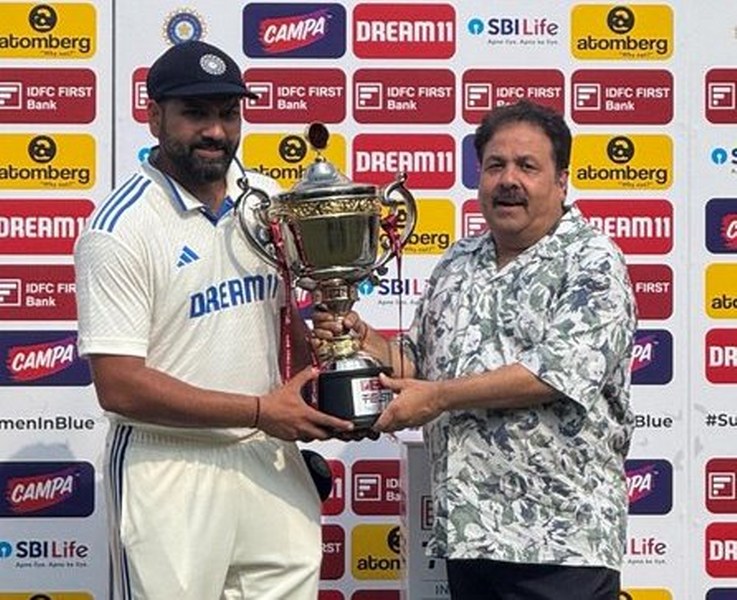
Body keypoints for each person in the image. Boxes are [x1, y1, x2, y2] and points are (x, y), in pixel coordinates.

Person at [313, 100, 637, 600]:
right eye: (495, 165)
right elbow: (418, 361)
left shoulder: (592, 261)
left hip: (559, 545)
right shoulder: (459, 260)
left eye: (527, 166)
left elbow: (554, 373)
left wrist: (438, 397)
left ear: (562, 181)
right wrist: (360, 337)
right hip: (470, 534)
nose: (509, 180)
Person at [74, 40, 355, 600]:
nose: (216, 131)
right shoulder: (119, 229)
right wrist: (260, 410)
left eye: (229, 113)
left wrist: (328, 352)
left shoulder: (267, 202)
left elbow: (280, 325)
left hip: (267, 455)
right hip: (170, 460)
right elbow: (120, 386)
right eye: (195, 113)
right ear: (154, 116)